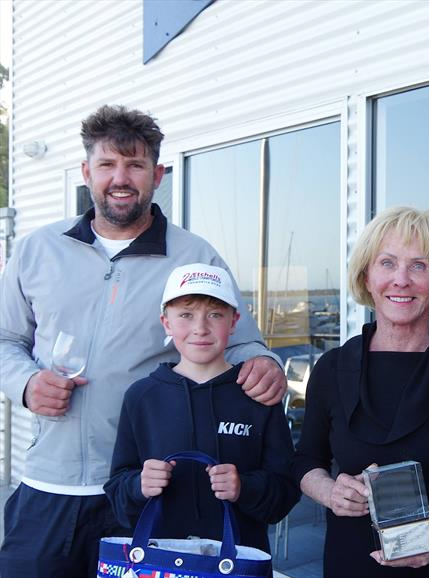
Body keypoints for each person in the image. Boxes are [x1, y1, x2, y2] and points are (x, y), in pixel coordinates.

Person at [0, 105, 287, 578]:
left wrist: (264, 364)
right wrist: (27, 383)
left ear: (157, 174)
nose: (121, 178)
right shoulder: (37, 249)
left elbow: (242, 342)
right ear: (86, 171)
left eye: (135, 166)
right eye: (108, 164)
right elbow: (6, 339)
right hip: (49, 486)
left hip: (150, 492)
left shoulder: (194, 254)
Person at [291, 206, 429, 578]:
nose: (401, 280)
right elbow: (305, 461)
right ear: (366, 277)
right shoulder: (332, 369)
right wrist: (329, 492)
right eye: (387, 263)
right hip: (349, 566)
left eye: (419, 266)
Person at [104, 263, 300, 553]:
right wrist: (139, 485)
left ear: (234, 322)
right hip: (158, 562)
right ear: (166, 322)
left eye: (215, 315)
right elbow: (118, 492)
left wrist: (244, 488)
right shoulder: (141, 397)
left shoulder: (257, 395)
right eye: (186, 314)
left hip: (238, 564)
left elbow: (285, 492)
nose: (200, 328)